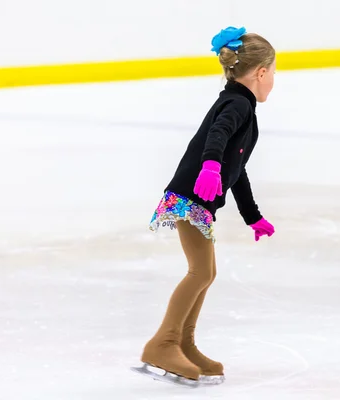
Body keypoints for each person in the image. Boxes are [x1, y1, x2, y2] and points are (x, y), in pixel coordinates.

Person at [137, 26, 276, 385]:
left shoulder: (239, 102)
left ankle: (184, 342)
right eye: (274, 72)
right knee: (200, 271)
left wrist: (253, 217)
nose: (274, 80)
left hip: (197, 201)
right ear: (261, 73)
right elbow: (218, 136)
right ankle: (163, 343)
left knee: (206, 272)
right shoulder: (237, 104)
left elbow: (238, 170)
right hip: (188, 198)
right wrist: (211, 165)